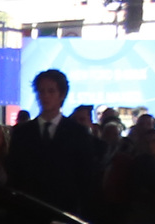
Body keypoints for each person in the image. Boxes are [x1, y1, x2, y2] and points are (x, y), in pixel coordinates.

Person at [5, 68, 99, 213]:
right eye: (41, 91)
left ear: (62, 95)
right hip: (28, 209)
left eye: (51, 91)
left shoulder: (77, 133)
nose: (45, 96)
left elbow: (85, 176)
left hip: (65, 210)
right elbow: (14, 173)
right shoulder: (22, 132)